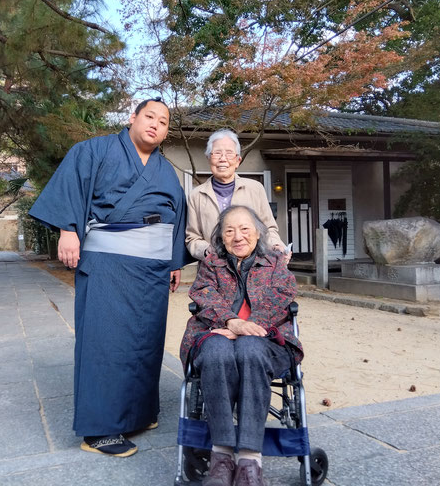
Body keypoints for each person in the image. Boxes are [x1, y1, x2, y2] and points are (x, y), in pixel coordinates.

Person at [29, 98, 190, 458]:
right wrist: (68, 230)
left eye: (163, 122)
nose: (155, 125)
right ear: (132, 117)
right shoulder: (93, 150)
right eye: (150, 117)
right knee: (106, 341)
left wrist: (175, 262)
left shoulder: (166, 170)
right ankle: (100, 430)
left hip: (152, 268)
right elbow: (70, 190)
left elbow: (177, 216)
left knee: (145, 341)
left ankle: (137, 413)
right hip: (108, 262)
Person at [180, 205, 303, 486]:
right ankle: (221, 457)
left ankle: (249, 459)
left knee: (250, 349)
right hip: (215, 335)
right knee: (217, 351)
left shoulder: (274, 264)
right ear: (221, 238)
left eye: (245, 229)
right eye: (229, 231)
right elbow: (202, 294)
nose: (238, 236)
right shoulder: (211, 264)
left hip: (267, 340)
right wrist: (231, 322)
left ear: (257, 233)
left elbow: (283, 295)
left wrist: (250, 327)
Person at [186, 129, 287, 261]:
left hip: (253, 265)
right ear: (209, 158)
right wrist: (207, 250)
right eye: (217, 153)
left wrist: (276, 245)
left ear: (238, 160)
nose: (223, 159)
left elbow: (268, 229)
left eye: (229, 153)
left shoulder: (255, 189)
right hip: (214, 268)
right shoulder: (196, 195)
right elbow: (192, 238)